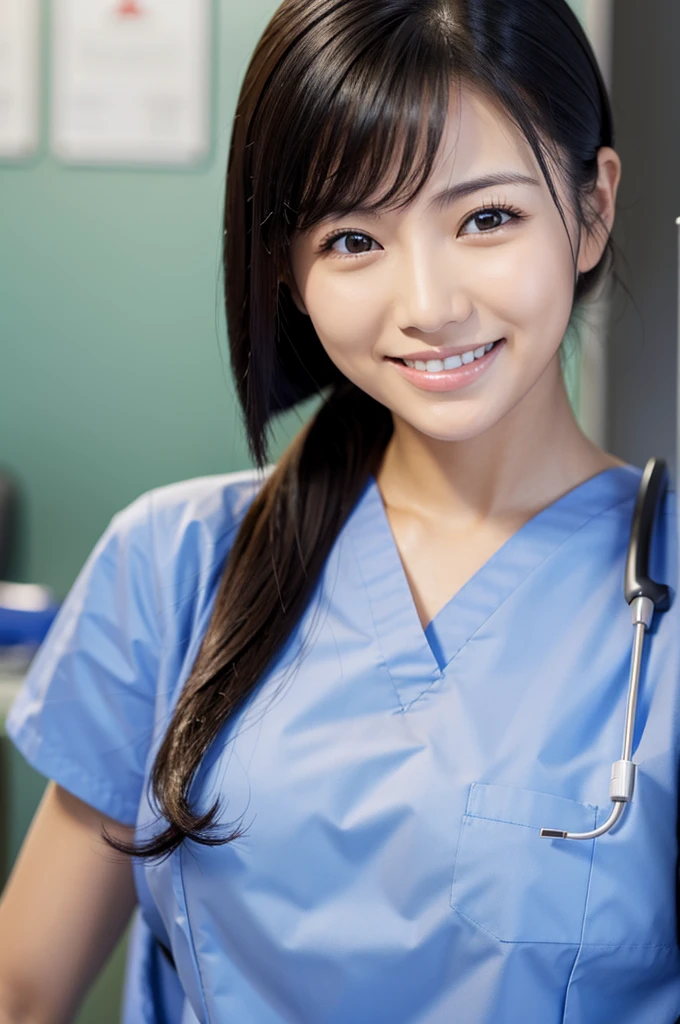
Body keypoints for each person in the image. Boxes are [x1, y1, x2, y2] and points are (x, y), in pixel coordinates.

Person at [1, 0, 678, 1020]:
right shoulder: (173, 563)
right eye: (353, 238)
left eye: (484, 217)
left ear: (589, 208)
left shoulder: (659, 615)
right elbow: (24, 984)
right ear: (291, 270)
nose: (427, 302)